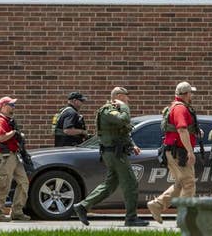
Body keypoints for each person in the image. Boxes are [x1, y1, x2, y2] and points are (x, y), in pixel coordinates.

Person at [73, 87, 149, 227]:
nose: (128, 100)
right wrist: (125, 107)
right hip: (114, 153)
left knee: (110, 184)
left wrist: (132, 145)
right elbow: (122, 120)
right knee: (131, 183)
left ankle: (82, 206)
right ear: (120, 96)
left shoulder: (115, 110)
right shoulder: (108, 110)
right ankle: (131, 218)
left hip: (115, 152)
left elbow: (123, 131)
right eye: (126, 97)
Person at [146, 81, 201, 224]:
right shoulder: (180, 109)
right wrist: (190, 152)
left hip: (176, 151)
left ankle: (157, 205)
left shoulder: (179, 107)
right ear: (186, 94)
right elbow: (181, 129)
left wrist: (195, 131)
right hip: (179, 152)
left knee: (180, 184)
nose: (192, 95)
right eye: (191, 93)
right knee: (189, 184)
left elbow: (184, 129)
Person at [0, 96, 31, 222]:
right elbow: (1, 138)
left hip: (14, 156)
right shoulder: (0, 121)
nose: (13, 107)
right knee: (3, 185)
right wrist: (14, 133)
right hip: (5, 157)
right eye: (11, 105)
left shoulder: (9, 120)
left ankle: (17, 212)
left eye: (13, 105)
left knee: (24, 182)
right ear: (3, 106)